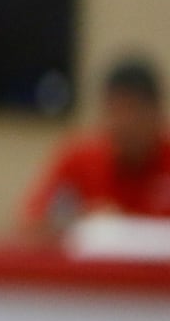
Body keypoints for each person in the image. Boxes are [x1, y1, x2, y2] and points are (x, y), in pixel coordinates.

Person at [20, 53, 170, 238]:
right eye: (116, 112)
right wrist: (85, 221)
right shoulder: (79, 160)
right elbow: (26, 230)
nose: (124, 124)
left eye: (134, 111)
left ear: (156, 113)